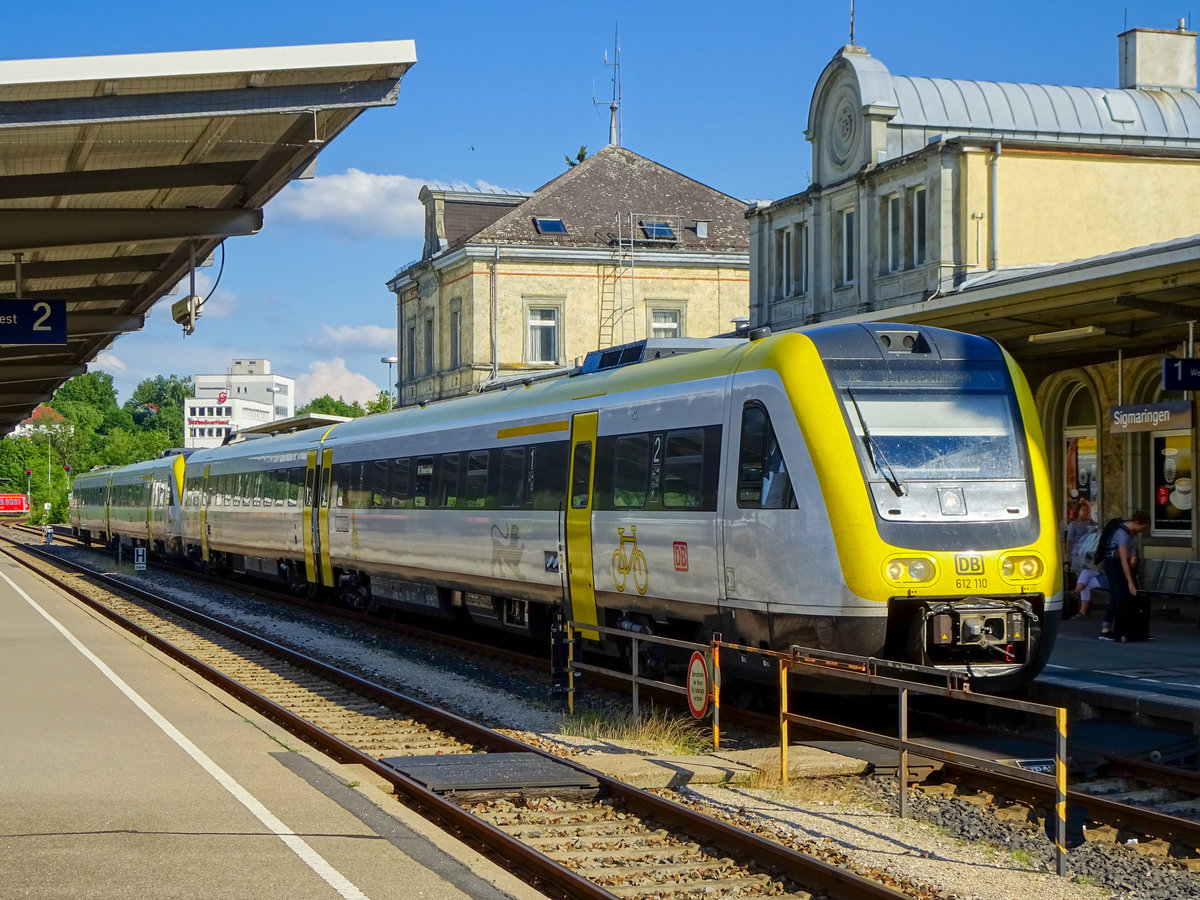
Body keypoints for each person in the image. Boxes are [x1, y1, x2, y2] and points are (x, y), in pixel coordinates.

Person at [1099, 511, 1150, 641]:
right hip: (1113, 564)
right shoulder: (1122, 535)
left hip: (1116, 563)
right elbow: (1123, 560)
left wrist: (1133, 555)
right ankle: (1105, 630)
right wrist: (1130, 582)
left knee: (1122, 596)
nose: (1141, 531)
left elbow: (1131, 548)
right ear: (1137, 523)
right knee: (1117, 595)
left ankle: (1122, 629)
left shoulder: (1127, 531)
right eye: (1142, 528)